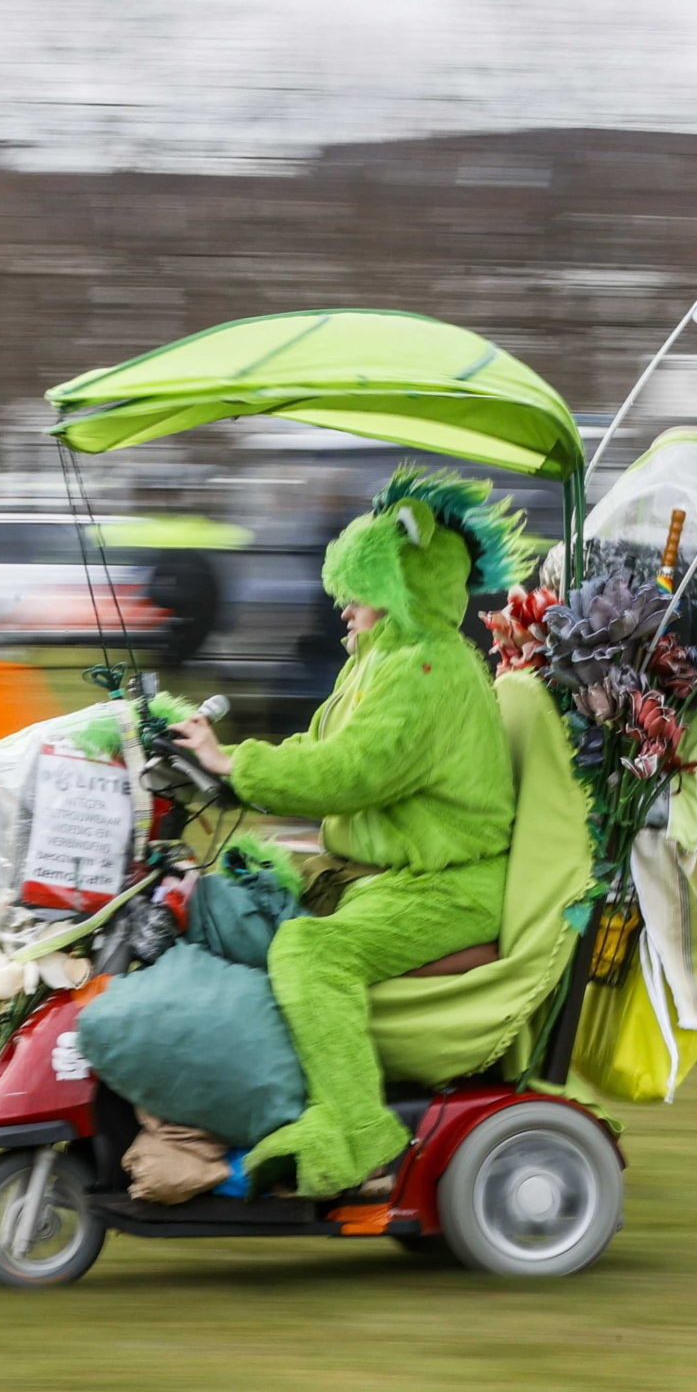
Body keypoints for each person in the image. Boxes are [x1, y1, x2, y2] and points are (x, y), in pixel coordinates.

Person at [172, 470, 522, 1200]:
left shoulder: (425, 671)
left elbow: (354, 771)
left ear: (400, 587)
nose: (343, 603)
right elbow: (317, 745)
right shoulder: (384, 661)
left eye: (356, 587)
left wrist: (235, 765)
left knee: (310, 949)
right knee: (243, 878)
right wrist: (225, 758)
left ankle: (360, 1133)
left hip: (444, 886)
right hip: (390, 874)